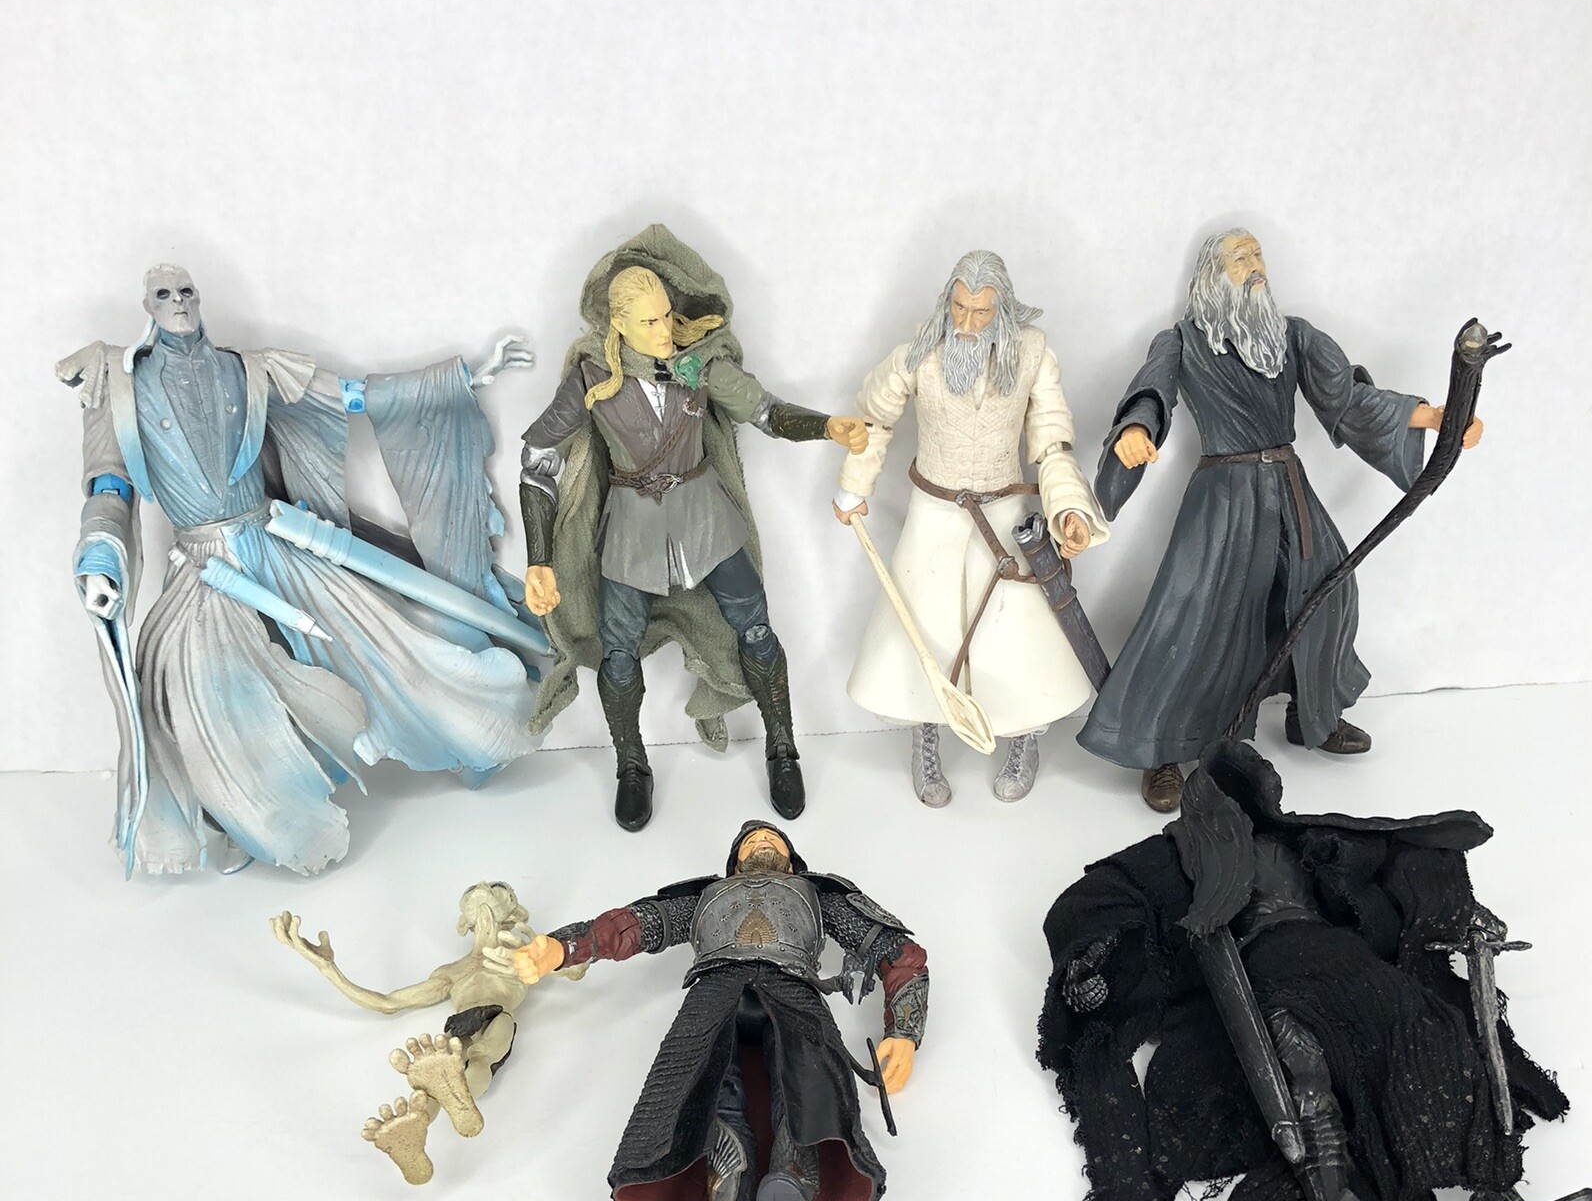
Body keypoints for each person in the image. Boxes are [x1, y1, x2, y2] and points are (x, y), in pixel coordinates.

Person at [1037, 740, 1592, 1201]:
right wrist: (1092, 960)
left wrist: (1459, 911)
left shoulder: (1302, 841)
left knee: (1432, 1037)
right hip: (1271, 969)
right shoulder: (1177, 858)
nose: (1239, 805)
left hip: (1343, 957)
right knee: (1305, 1068)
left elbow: (1393, 867)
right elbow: (1102, 899)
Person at [62, 264, 539, 875]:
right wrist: (100, 557)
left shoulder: (248, 369)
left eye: (186, 291)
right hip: (200, 568)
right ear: (147, 305)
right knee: (211, 696)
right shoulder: (117, 384)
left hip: (276, 538)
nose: (178, 302)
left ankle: (471, 733)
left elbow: (350, 397)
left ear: (199, 299)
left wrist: (462, 377)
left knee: (390, 643)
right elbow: (109, 486)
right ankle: (249, 821)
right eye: (164, 294)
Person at [1078, 229, 1482, 812]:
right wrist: (1136, 431)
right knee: (1191, 613)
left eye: (1257, 254)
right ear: (1211, 276)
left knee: (1328, 592)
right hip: (1224, 498)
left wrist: (1433, 418)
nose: (1254, 266)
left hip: (1289, 488)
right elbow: (1151, 392)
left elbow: (1347, 401)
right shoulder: (1183, 341)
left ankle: (1313, 714)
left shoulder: (1291, 337)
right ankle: (1158, 749)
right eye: (1238, 258)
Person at [518, 225, 868, 831]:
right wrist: (539, 558)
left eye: (667, 316)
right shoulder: (592, 379)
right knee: (618, 655)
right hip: (630, 531)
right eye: (649, 322)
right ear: (619, 324)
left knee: (756, 629)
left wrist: (826, 426)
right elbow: (538, 458)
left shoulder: (699, 364)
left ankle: (783, 747)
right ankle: (632, 766)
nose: (664, 330)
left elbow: (764, 410)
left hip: (707, 518)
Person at [508, 821, 928, 1201]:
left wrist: (904, 1031)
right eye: (750, 840)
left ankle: (794, 1200)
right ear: (732, 863)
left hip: (793, 989)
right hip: (715, 991)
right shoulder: (705, 897)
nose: (762, 838)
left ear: (793, 861)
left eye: (773, 837)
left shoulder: (816, 895)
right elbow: (633, 926)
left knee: (806, 1084)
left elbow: (899, 952)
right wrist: (563, 946)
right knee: (704, 1091)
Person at [834, 250, 1109, 804]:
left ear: (1001, 309)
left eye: (981, 312)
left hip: (1003, 515)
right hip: (934, 512)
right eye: (959, 307)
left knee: (1017, 633)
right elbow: (873, 418)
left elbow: (1051, 443)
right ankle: (926, 738)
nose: (966, 322)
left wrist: (1068, 510)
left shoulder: (1032, 353)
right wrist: (855, 485)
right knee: (922, 631)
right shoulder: (918, 352)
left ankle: (1023, 737)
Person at [271, 882, 583, 1185]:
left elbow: (575, 968)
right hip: (460, 1023)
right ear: (464, 923)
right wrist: (329, 969)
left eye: (499, 888)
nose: (483, 887)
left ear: (517, 913)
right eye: (471, 894)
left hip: (497, 1014)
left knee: (481, 1053)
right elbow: (387, 1002)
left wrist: (559, 956)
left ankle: (453, 1094)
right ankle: (416, 1132)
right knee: (443, 1073)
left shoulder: (526, 956)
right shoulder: (452, 971)